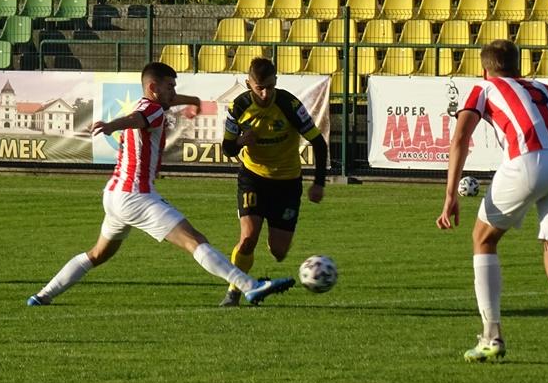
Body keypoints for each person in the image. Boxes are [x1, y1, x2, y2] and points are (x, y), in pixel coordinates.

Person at [27, 62, 295, 307]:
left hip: (114, 194)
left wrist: (191, 100)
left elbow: (150, 111)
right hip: (137, 196)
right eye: (170, 87)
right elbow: (136, 121)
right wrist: (111, 125)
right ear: (153, 88)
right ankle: (250, 286)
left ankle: (43, 295)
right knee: (195, 240)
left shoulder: (149, 104)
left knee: (97, 254)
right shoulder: (151, 110)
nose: (174, 92)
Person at [435, 39, 548, 370]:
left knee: (483, 239)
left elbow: (460, 139)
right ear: (519, 65)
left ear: (485, 68)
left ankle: (491, 338)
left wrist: (450, 194)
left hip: (526, 160)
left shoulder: (483, 88)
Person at [218, 57, 329, 307]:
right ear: (249, 84)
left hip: (287, 182)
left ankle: (257, 277)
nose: (266, 93)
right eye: (260, 88)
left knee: (279, 252)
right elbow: (227, 149)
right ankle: (234, 291)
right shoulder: (238, 107)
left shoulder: (288, 104)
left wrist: (319, 183)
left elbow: (318, 143)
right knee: (248, 237)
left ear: (276, 81)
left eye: (270, 86)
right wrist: (240, 142)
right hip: (253, 177)